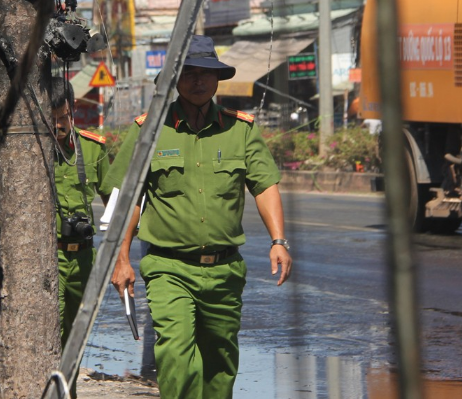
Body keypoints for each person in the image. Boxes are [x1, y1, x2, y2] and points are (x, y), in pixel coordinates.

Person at [103, 35, 291, 399]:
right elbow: (127, 200)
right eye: (189, 73)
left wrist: (278, 241)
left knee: (220, 362)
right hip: (169, 268)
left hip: (225, 270)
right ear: (174, 78)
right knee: (175, 354)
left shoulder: (241, 129)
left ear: (218, 79)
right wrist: (121, 259)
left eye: (207, 73)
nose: (199, 81)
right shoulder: (148, 131)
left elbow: (265, 185)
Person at [50, 77, 110, 353]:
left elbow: (114, 203)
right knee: (53, 330)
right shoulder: (33, 150)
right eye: (50, 118)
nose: (58, 125)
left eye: (63, 117)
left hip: (85, 258)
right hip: (51, 257)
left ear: (71, 109)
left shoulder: (93, 148)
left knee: (77, 335)